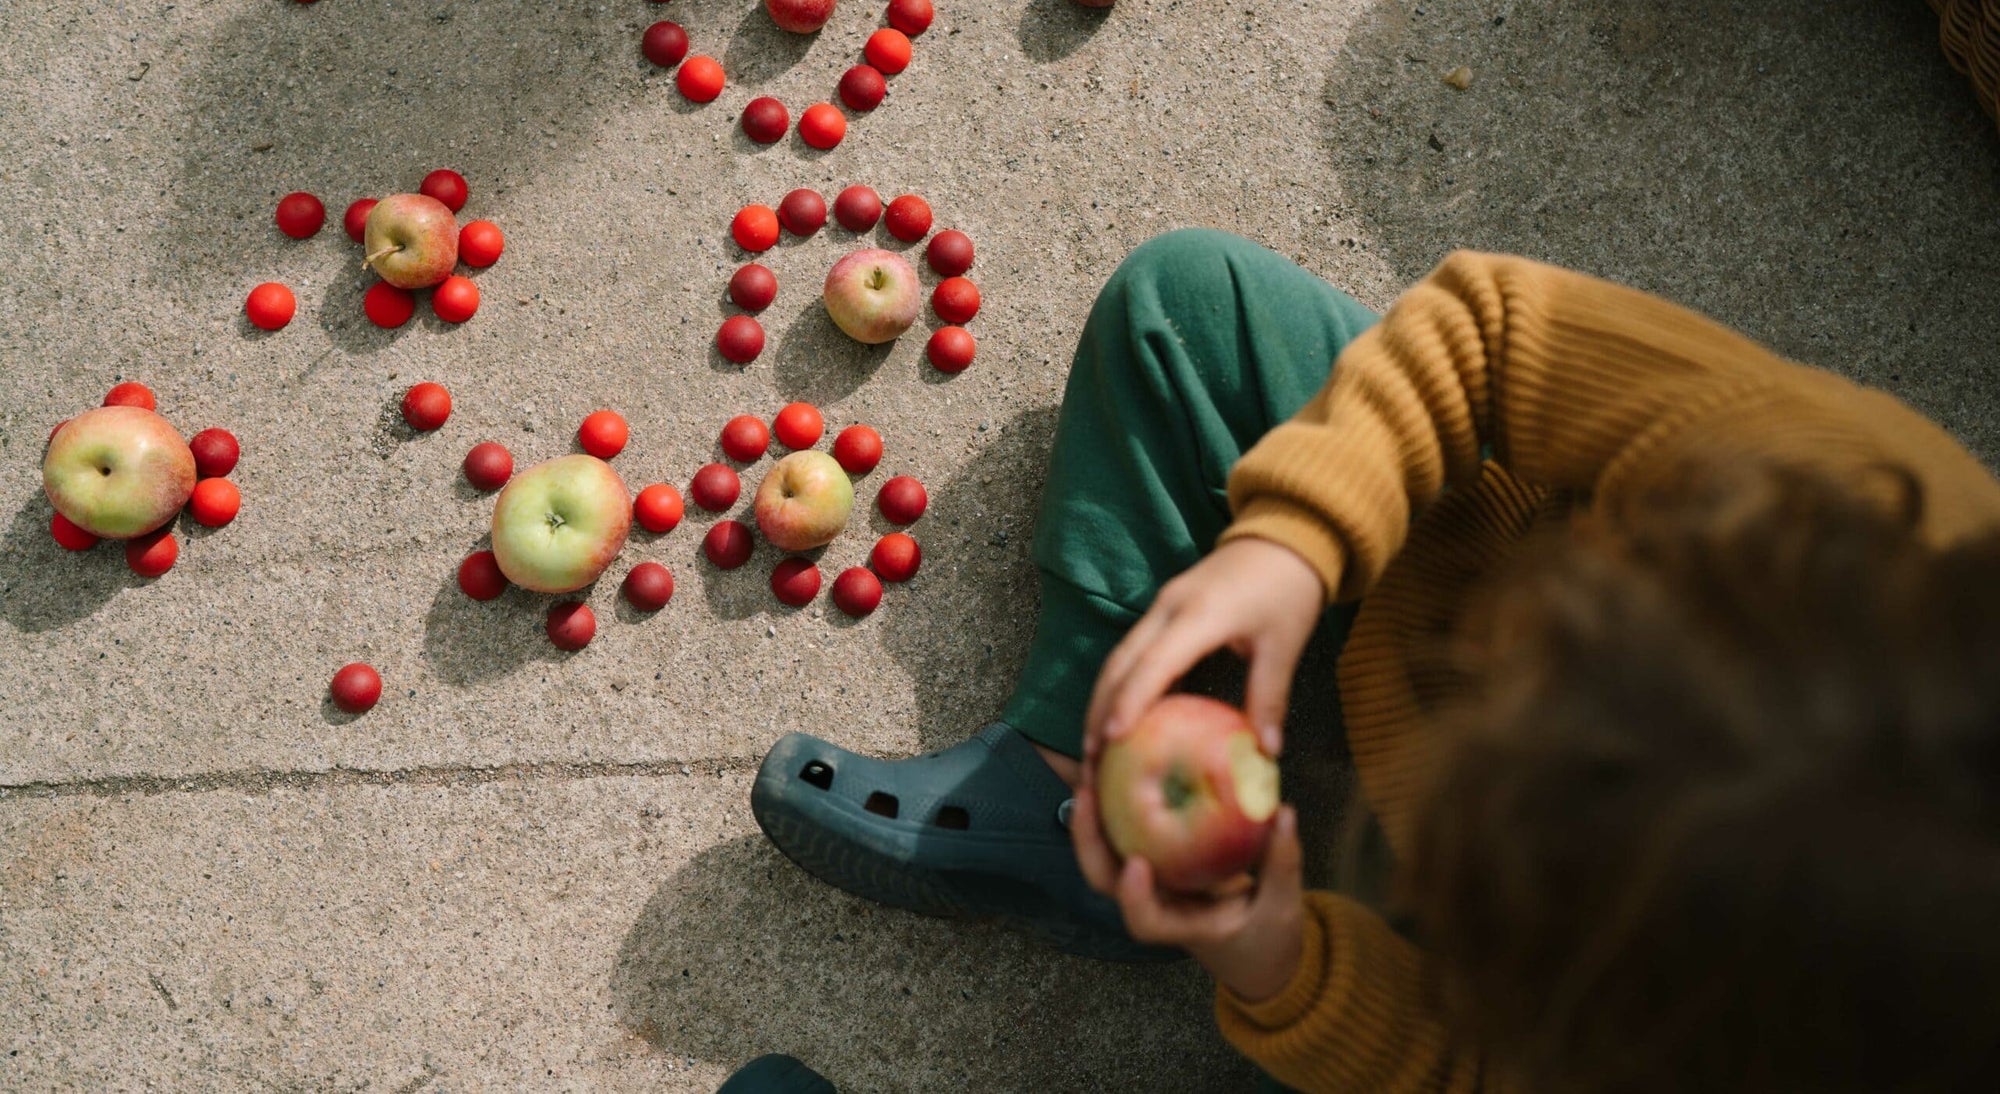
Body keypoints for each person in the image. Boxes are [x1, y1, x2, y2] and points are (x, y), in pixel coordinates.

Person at [749, 230, 2000, 1092]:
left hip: (1487, 984)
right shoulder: (1836, 479)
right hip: (1442, 540)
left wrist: (1285, 967)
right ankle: (1066, 770)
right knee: (1183, 307)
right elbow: (1488, 328)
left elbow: (1452, 1070)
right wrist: (1294, 542)